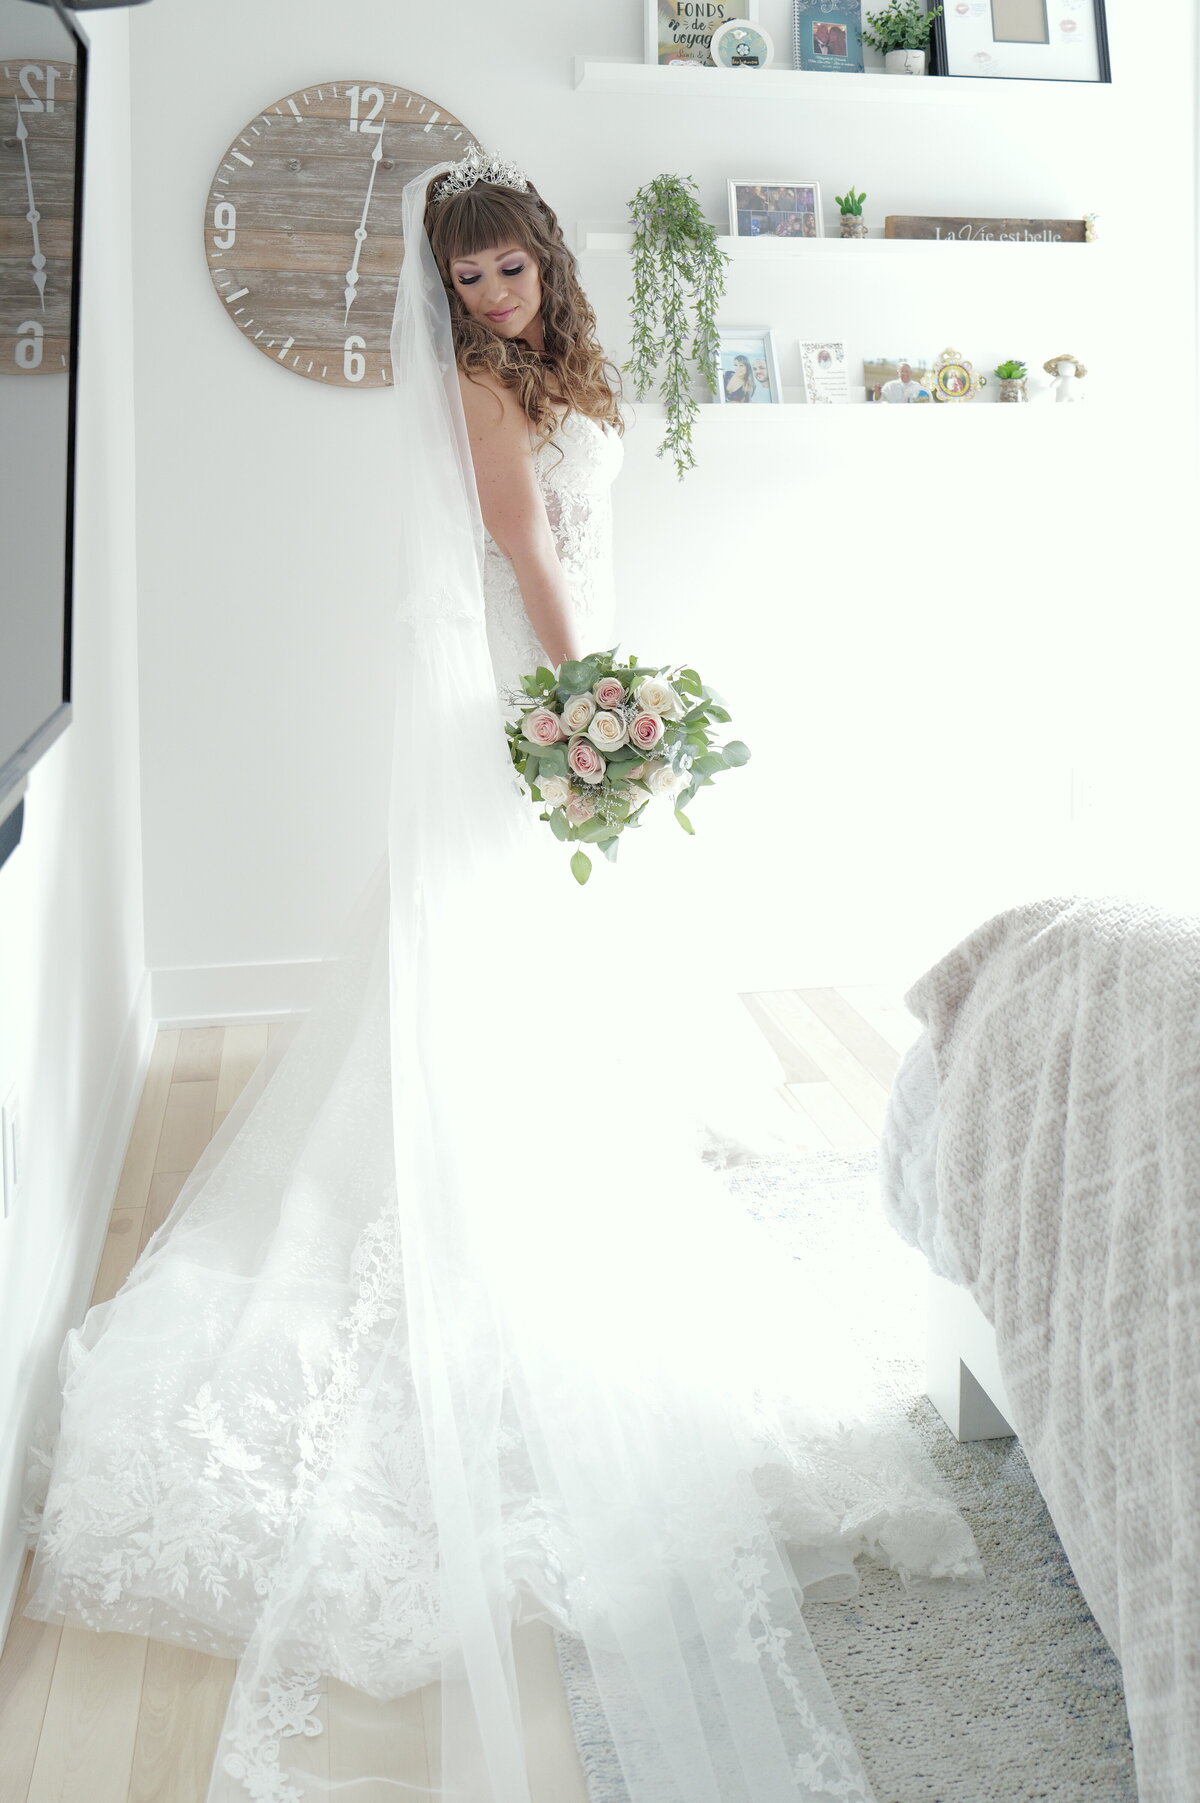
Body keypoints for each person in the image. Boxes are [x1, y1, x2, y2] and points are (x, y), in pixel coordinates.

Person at [19, 149, 982, 1803]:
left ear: (544, 258)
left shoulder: (559, 363)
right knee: (492, 946)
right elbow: (528, 555)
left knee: (555, 961)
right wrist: (592, 716)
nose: (487, 299)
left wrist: (608, 694)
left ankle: (544, 1122)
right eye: (463, 281)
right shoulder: (478, 391)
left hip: (569, 679)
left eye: (505, 272)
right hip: (531, 702)